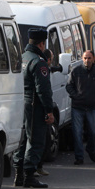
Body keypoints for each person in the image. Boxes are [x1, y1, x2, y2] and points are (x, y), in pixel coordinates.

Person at [12, 29, 54, 188]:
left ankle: (19, 174)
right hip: (34, 105)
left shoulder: (21, 58)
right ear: (42, 43)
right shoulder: (39, 62)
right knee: (35, 139)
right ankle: (29, 175)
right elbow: (43, 89)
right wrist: (49, 110)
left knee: (22, 139)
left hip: (20, 104)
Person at [65, 50, 95, 165]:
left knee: (94, 131)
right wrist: (76, 96)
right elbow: (69, 86)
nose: (87, 60)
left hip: (92, 106)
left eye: (89, 58)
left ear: (94, 58)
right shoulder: (76, 70)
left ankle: (91, 150)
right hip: (78, 106)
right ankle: (79, 157)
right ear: (82, 58)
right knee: (77, 133)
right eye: (85, 58)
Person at [35, 48, 54, 177]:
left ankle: (37, 166)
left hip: (35, 108)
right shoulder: (42, 67)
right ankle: (33, 168)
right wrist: (49, 111)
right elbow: (44, 91)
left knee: (43, 139)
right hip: (38, 109)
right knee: (43, 139)